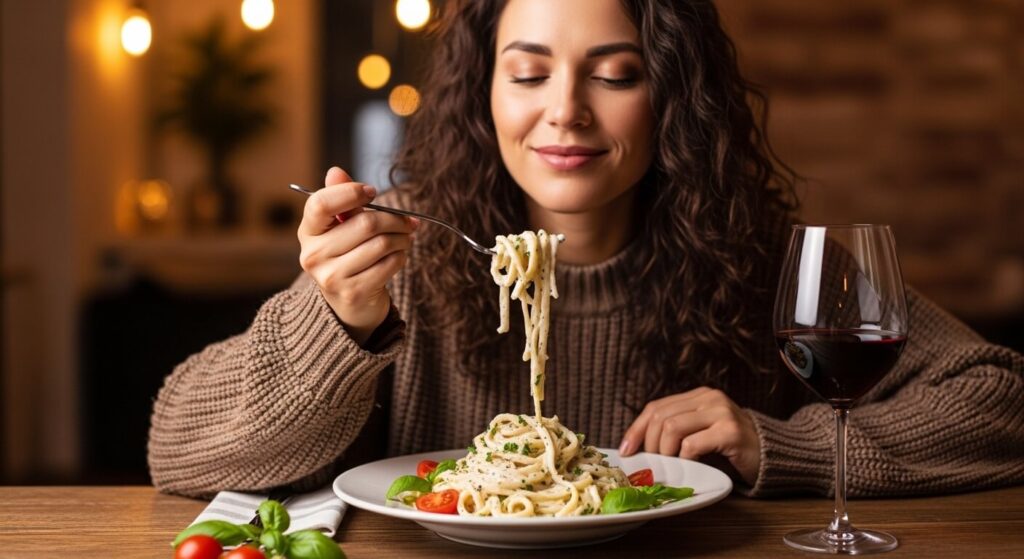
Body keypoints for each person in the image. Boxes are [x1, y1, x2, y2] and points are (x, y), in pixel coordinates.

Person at [148, 0, 1024, 499]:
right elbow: (177, 448)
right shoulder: (406, 252)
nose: (564, 110)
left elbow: (1001, 397)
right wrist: (335, 322)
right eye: (529, 73)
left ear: (671, 94)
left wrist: (775, 446)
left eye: (615, 74)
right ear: (485, 93)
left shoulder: (759, 259)